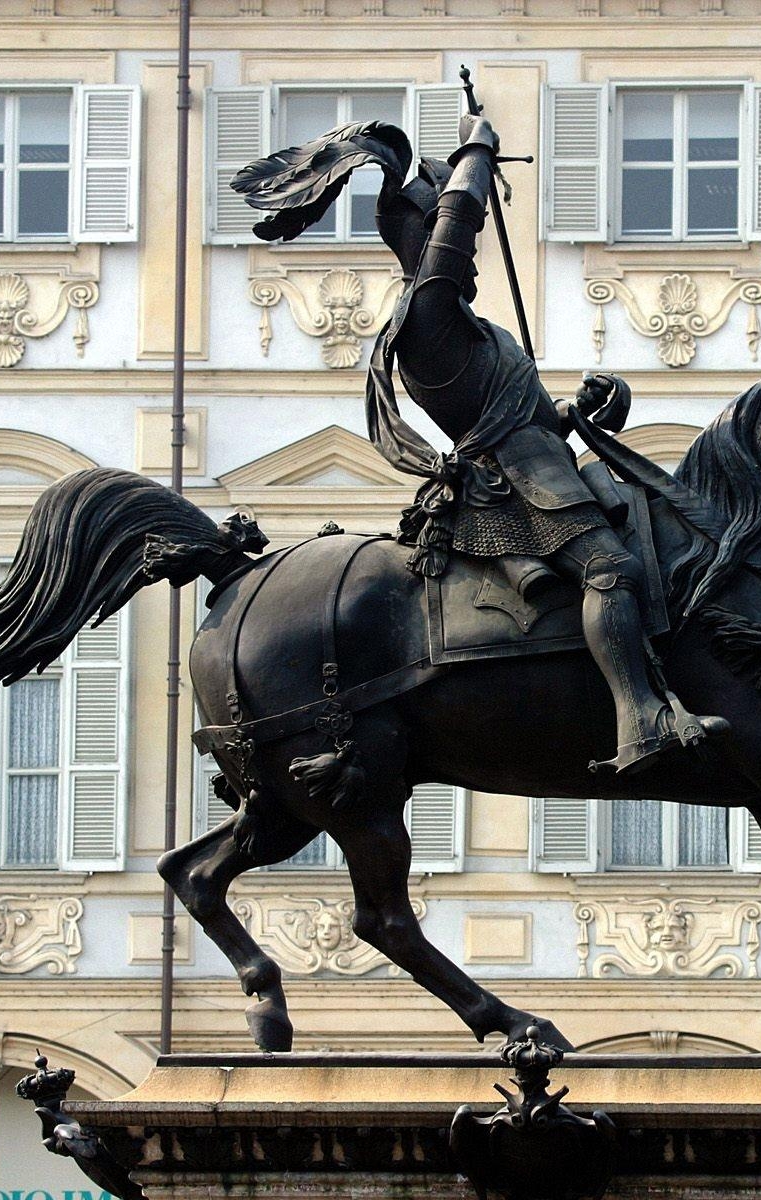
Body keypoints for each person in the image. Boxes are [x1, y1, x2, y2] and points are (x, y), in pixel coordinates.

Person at [232, 112, 725, 776]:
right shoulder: (426, 319)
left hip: (546, 465)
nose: (469, 251)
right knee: (614, 571)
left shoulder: (478, 331)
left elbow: (526, 417)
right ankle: (641, 719)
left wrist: (584, 408)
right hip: (515, 487)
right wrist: (477, 151)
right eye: (454, 242)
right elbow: (458, 225)